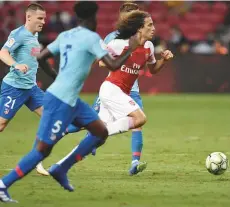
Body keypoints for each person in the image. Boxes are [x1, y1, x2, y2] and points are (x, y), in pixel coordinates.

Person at [0, 1, 141, 203]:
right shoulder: (91, 38)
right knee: (42, 150)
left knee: (100, 131)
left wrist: (55, 76)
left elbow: (41, 57)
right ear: (93, 18)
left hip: (70, 99)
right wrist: (131, 48)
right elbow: (113, 64)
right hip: (60, 101)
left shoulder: (65, 35)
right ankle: (4, 184)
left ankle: (60, 168)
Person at [49, 10, 173, 192]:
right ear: (139, 28)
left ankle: (60, 166)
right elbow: (99, 59)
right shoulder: (118, 43)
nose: (153, 28)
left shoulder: (148, 47)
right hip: (110, 89)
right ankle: (100, 131)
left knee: (97, 140)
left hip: (121, 92)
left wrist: (164, 60)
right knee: (140, 118)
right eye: (149, 25)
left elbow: (153, 69)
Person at [65, 1, 149, 175]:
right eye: (132, 16)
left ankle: (134, 162)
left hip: (132, 89)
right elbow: (102, 62)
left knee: (138, 123)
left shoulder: (144, 39)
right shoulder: (113, 38)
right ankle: (64, 130)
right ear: (123, 18)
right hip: (115, 88)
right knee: (93, 123)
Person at [0, 3, 56, 177]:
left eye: (44, 18)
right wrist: (16, 65)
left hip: (31, 88)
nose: (43, 21)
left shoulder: (35, 35)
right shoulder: (18, 34)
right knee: (1, 125)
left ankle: (36, 161)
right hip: (14, 88)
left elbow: (37, 59)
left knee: (50, 118)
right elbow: (3, 53)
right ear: (28, 17)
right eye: (40, 18)